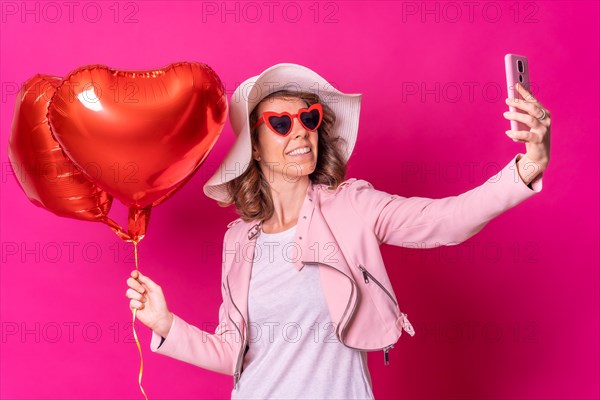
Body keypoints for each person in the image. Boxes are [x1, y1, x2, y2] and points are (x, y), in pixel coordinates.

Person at [126, 63, 551, 399]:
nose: (301, 132)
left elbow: (446, 221)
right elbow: (233, 352)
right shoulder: (239, 239)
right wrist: (166, 324)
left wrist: (528, 165)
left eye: (308, 118)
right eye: (281, 123)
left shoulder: (351, 205)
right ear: (254, 146)